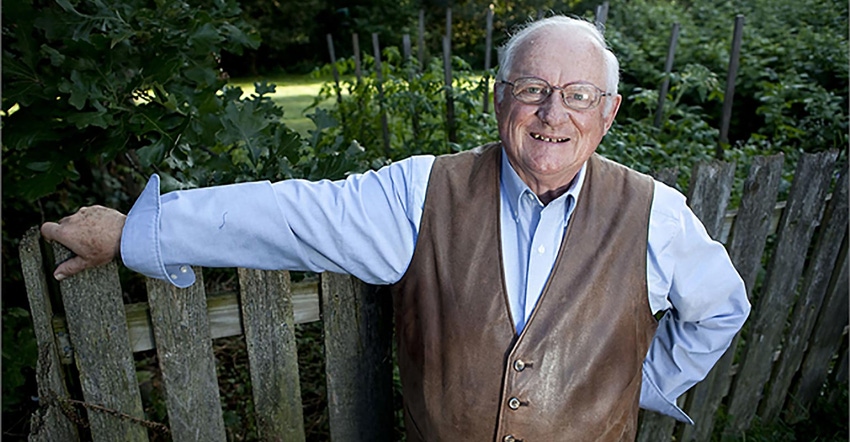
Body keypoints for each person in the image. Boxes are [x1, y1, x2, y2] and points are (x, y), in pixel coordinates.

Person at [41, 15, 749, 442]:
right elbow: (290, 216)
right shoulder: (421, 193)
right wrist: (139, 231)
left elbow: (721, 309)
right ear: (501, 98)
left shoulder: (656, 214)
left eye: (577, 96)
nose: (552, 115)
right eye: (532, 89)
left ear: (609, 112)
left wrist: (641, 383)